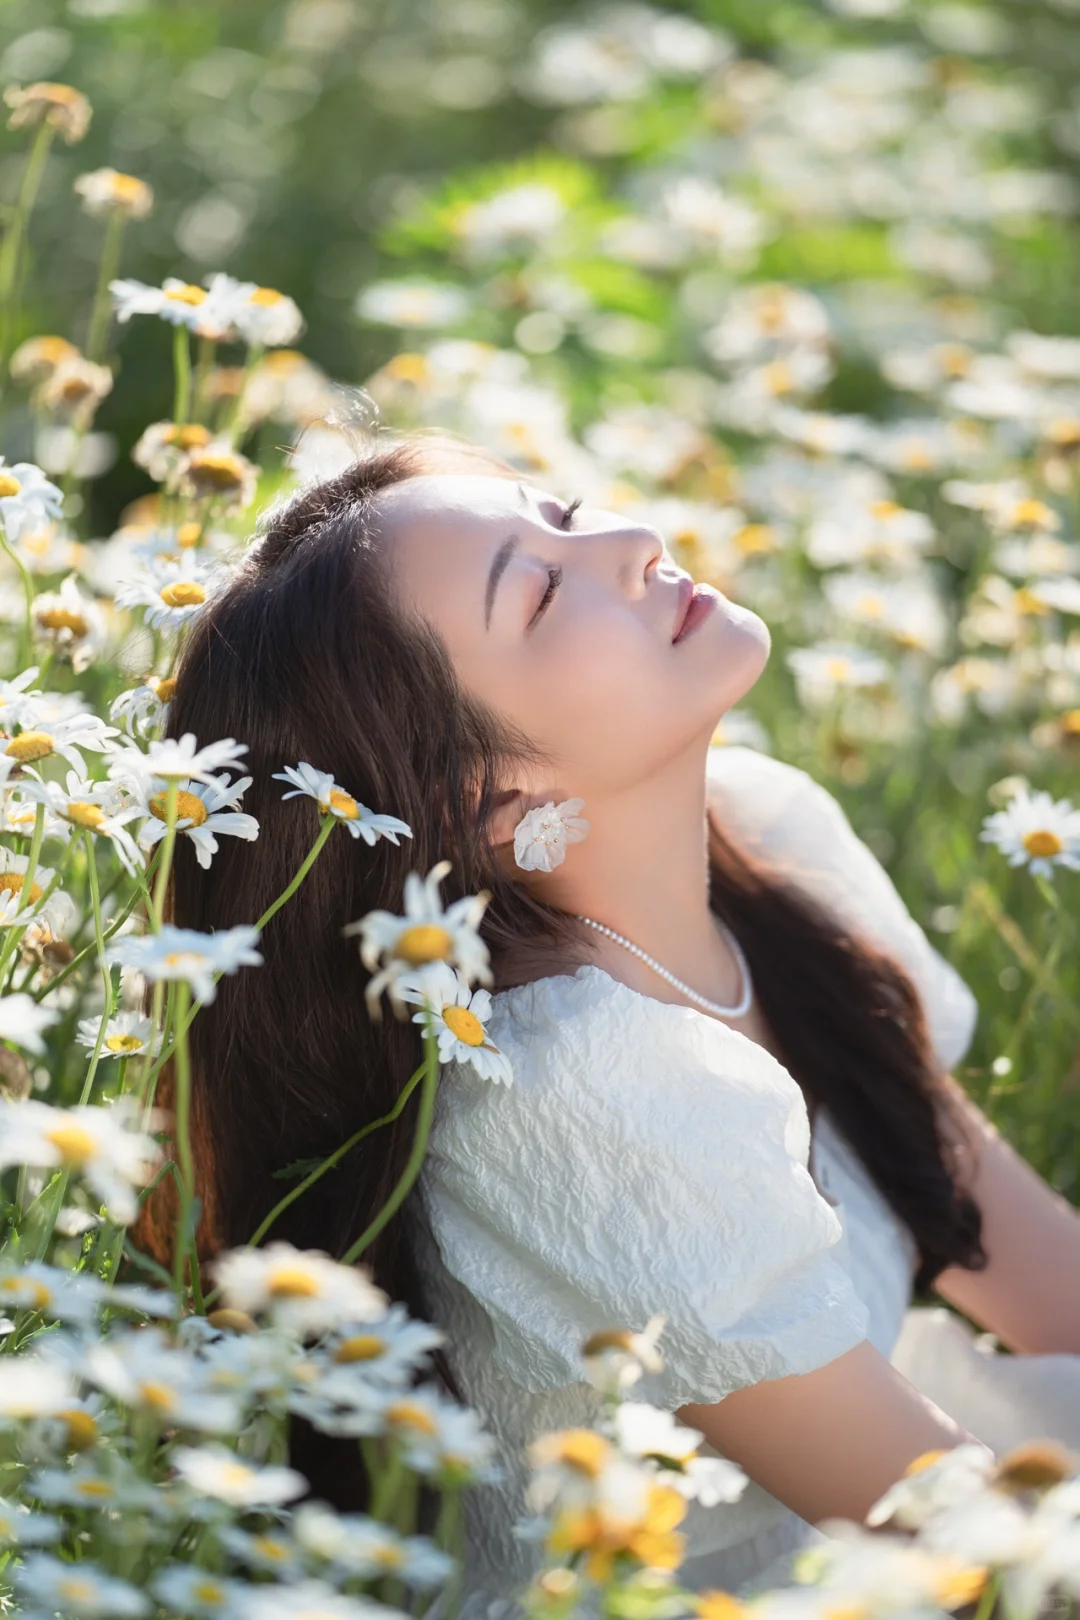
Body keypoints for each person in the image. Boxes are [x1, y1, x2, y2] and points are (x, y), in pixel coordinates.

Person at [147, 432, 1080, 1602]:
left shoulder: (769, 838)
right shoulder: (576, 1088)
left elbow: (1038, 1273)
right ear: (485, 800)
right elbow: (960, 1549)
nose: (634, 545)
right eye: (540, 590)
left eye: (570, 515)